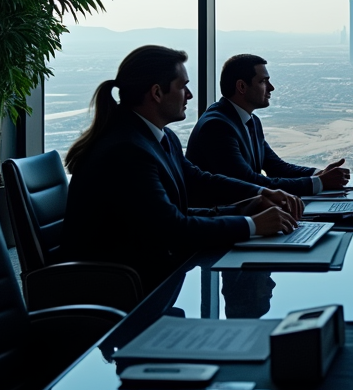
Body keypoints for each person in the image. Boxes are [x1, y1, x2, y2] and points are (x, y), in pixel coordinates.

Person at [62, 46, 303, 290]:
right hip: (122, 288)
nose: (189, 95)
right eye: (182, 86)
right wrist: (252, 225)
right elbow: (173, 228)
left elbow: (200, 180)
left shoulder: (160, 138)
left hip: (151, 272)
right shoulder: (128, 151)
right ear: (156, 92)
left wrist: (254, 198)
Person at [185, 54, 350, 198]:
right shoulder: (217, 126)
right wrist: (318, 183)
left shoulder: (250, 120)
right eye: (263, 81)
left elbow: (275, 166)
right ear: (242, 86)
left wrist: (318, 174)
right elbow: (249, 182)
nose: (271, 88)